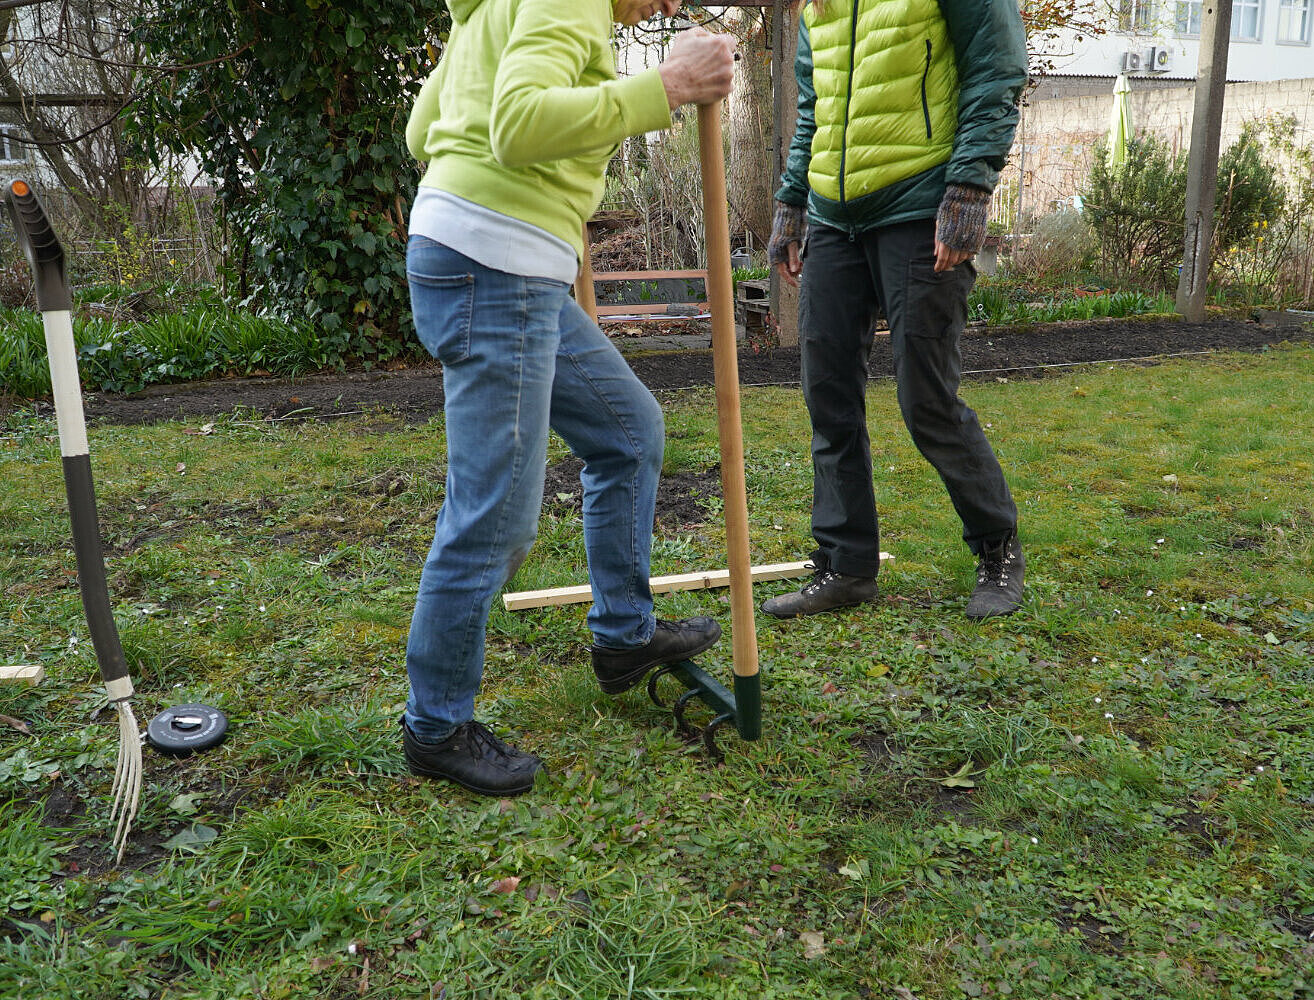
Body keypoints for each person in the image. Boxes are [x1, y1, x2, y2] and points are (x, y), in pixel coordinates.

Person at [400, 0, 737, 797]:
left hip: (504, 263)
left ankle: (623, 637)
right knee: (495, 517)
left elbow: (424, 131)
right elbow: (517, 125)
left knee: (628, 431)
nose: (662, 5)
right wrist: (666, 86)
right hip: (497, 265)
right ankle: (435, 724)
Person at [763, 0, 1028, 622]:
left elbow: (997, 71)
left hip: (919, 204)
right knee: (827, 394)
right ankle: (846, 565)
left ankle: (997, 549)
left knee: (926, 399)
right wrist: (793, 200)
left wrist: (969, 186)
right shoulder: (817, 7)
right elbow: (814, 111)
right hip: (834, 214)